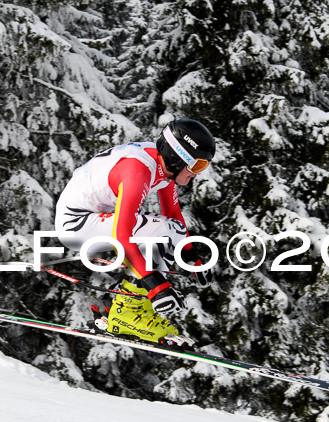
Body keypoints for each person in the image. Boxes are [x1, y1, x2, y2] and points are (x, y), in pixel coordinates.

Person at [54, 119, 215, 346]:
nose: (196, 174)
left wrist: (190, 257)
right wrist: (155, 285)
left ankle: (133, 307)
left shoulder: (163, 166)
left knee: (171, 228)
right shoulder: (138, 170)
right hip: (75, 225)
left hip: (91, 217)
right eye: (197, 166)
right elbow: (123, 236)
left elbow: (173, 212)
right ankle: (128, 311)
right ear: (179, 159)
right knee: (163, 230)